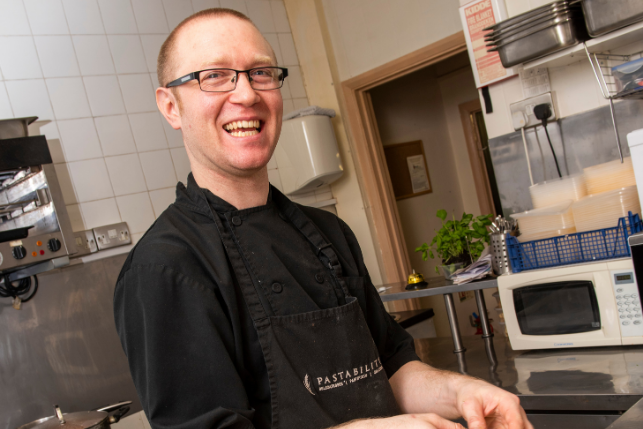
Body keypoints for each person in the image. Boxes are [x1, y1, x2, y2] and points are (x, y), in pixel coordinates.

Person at [113, 8, 533, 429]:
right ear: (170, 106)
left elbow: (391, 365)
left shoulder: (328, 232)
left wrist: (461, 392)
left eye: (260, 73)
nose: (246, 95)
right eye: (216, 76)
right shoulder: (165, 268)